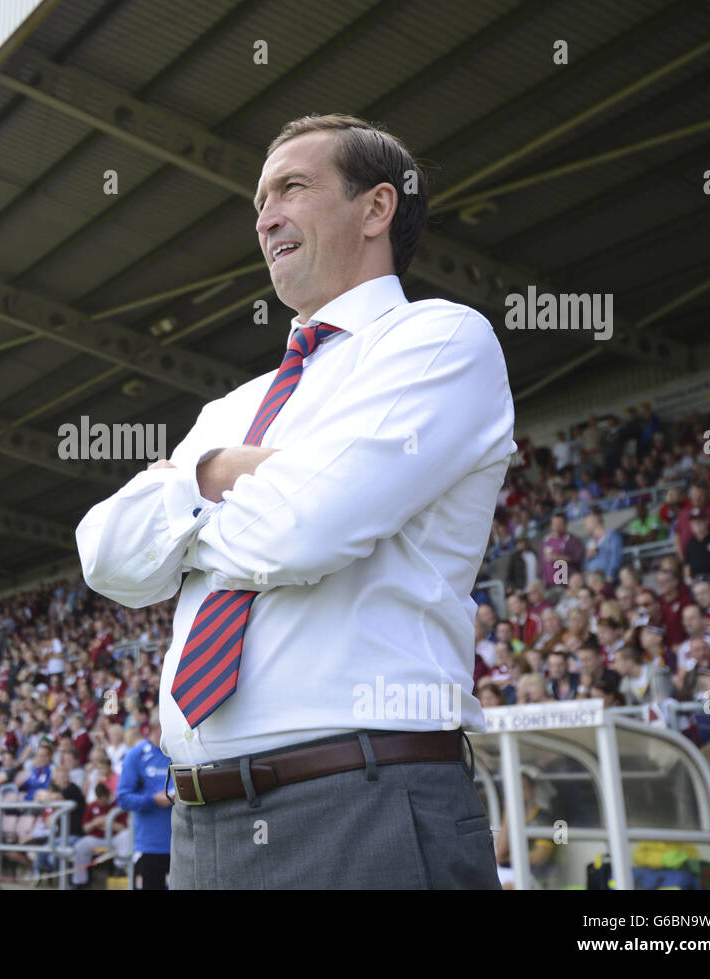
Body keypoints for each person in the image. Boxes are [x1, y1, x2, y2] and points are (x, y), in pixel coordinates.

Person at [79, 112, 509, 890]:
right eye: (259, 202)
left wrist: (181, 521)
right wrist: (213, 474)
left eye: (292, 189)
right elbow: (107, 556)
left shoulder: (441, 339)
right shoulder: (228, 413)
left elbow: (300, 532)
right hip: (199, 828)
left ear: (377, 208)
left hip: (361, 802)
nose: (265, 216)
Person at [115, 709, 172, 889]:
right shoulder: (136, 755)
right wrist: (153, 799)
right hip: (151, 845)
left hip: (184, 842)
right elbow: (123, 798)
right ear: (158, 727)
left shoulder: (181, 754)